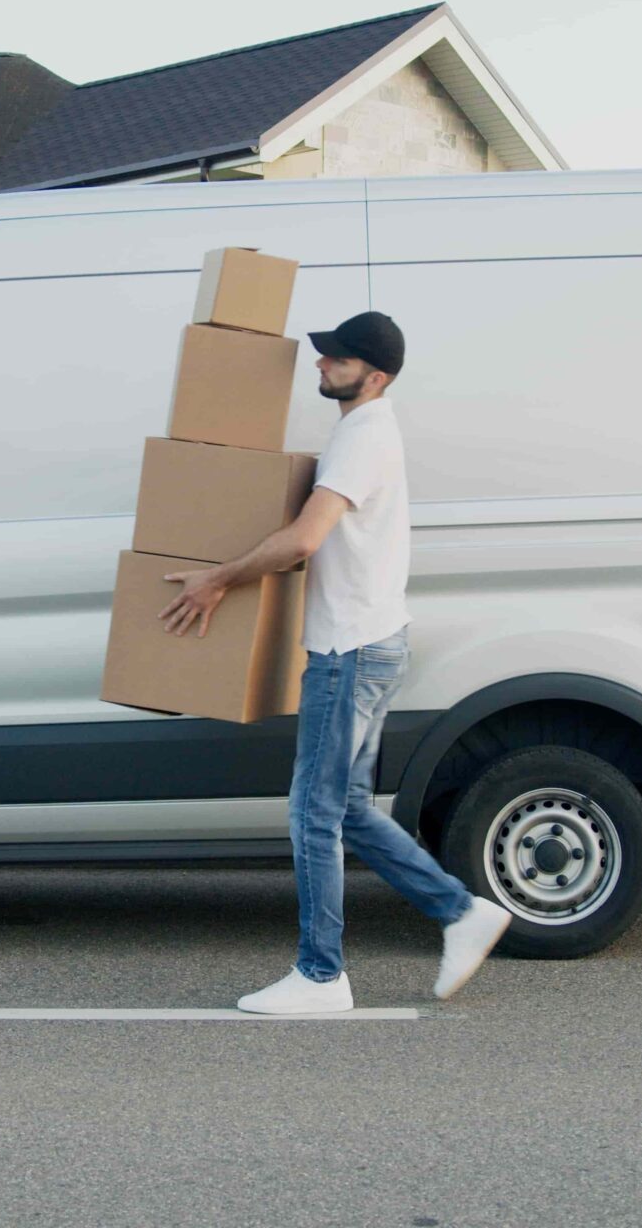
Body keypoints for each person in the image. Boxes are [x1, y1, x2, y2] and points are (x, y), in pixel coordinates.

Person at [157, 311, 511, 1014]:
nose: (320, 365)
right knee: (344, 805)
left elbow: (302, 540)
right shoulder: (363, 431)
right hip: (373, 640)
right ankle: (461, 911)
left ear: (373, 376)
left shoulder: (364, 435)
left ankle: (321, 975)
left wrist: (217, 578)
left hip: (350, 651)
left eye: (336, 359)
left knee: (312, 812)